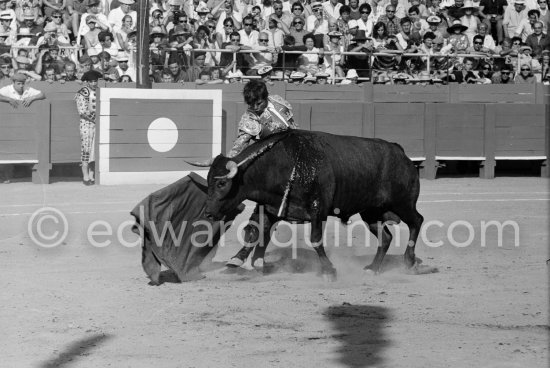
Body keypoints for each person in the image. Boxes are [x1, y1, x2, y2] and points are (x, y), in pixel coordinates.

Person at [225, 79, 298, 269]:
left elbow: (293, 129)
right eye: (251, 105)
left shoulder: (279, 102)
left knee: (270, 212)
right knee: (265, 208)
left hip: (295, 159)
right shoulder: (249, 119)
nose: (255, 108)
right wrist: (230, 161)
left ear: (266, 97)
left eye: (258, 103)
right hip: (273, 168)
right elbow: (240, 143)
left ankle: (254, 254)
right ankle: (250, 254)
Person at [74, 70, 101, 185]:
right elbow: (83, 111)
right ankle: (85, 176)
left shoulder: (99, 91)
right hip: (86, 124)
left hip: (97, 124)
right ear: (87, 82)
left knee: (95, 149)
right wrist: (97, 120)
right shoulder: (83, 92)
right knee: (87, 149)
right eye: (92, 81)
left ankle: (91, 174)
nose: (94, 83)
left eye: (95, 81)